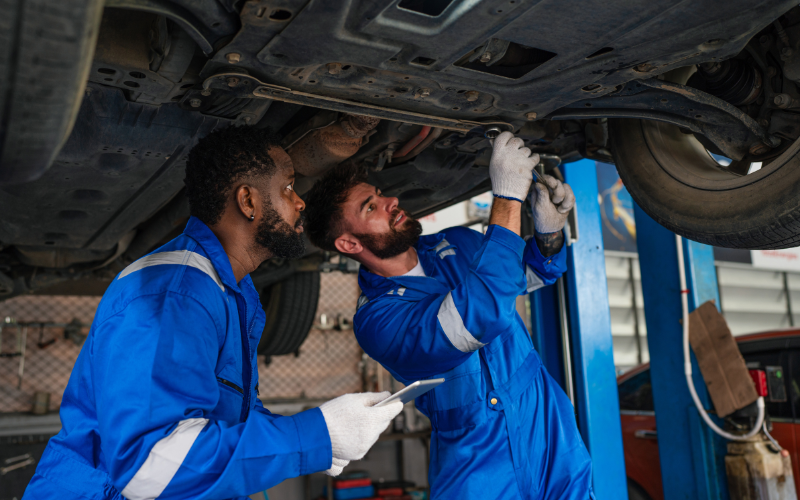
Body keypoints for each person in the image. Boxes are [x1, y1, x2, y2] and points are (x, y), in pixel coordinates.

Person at [24, 126, 403, 500]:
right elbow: (151, 466)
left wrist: (324, 439)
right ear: (248, 201)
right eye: (288, 187)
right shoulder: (176, 292)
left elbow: (225, 418)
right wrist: (315, 435)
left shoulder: (227, 290)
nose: (300, 202)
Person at [304, 131, 595, 499]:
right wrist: (507, 199)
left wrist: (549, 232)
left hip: (549, 431)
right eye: (370, 207)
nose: (391, 201)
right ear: (349, 244)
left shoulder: (456, 243)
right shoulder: (378, 321)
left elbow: (526, 276)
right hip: (478, 460)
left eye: (380, 195)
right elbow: (480, 316)